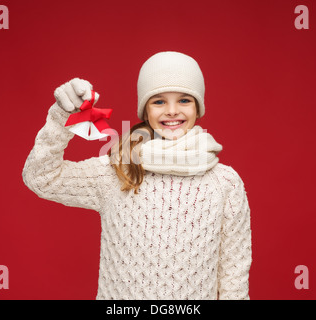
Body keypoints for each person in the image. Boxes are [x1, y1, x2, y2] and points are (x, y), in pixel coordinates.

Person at [22, 51, 252, 300]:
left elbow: (233, 277)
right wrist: (62, 117)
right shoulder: (118, 170)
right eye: (159, 101)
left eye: (184, 100)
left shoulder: (225, 183)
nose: (172, 111)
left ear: (198, 107)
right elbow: (41, 177)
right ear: (145, 110)